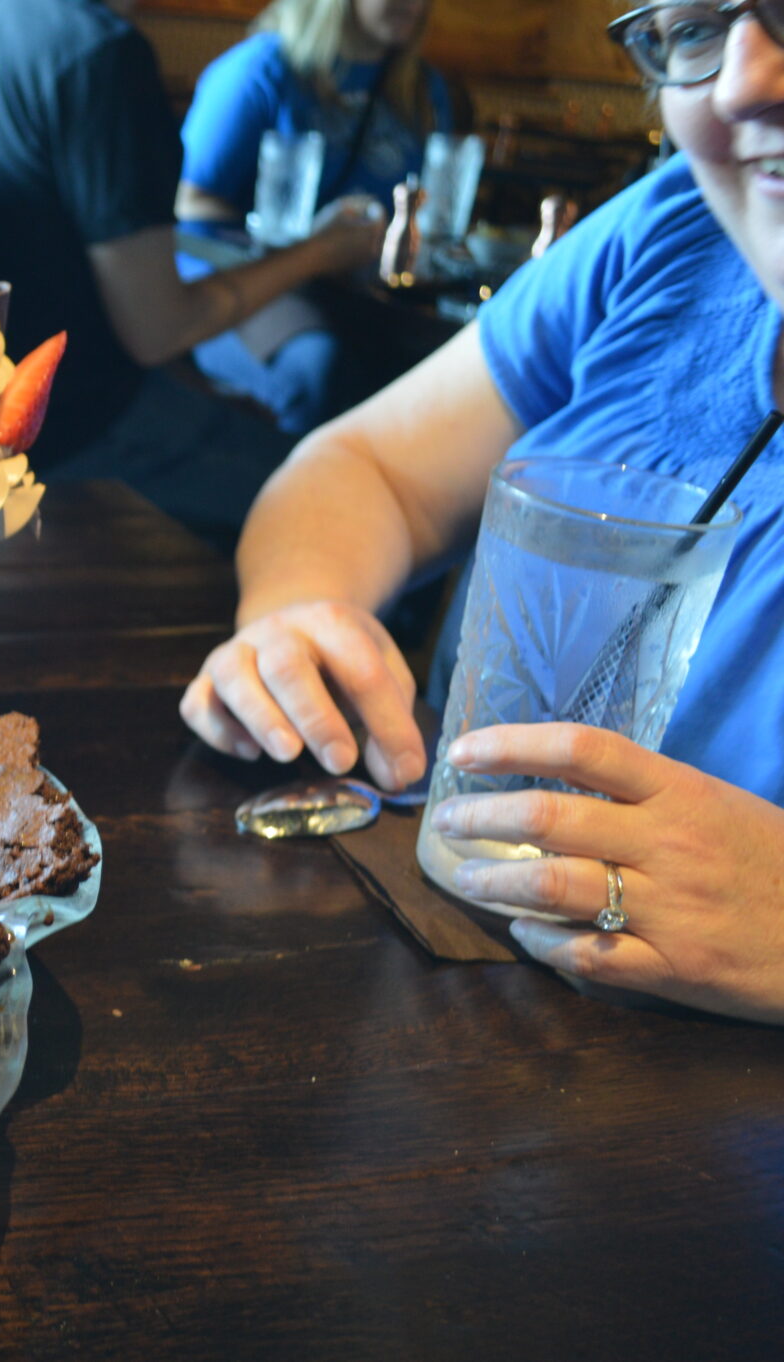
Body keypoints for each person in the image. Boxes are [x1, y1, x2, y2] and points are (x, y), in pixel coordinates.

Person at [179, 3, 784, 1025]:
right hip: (441, 1009)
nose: (737, 82)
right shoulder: (678, 227)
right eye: (693, 25)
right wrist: (296, 614)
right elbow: (368, 468)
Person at [0, 0, 381, 537]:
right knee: (357, 507)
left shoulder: (6, 17)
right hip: (79, 427)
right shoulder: (104, 55)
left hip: (3, 410)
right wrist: (319, 251)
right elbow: (158, 330)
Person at [176, 0, 452, 435]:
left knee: (432, 365)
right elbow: (188, 202)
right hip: (240, 275)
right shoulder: (262, 69)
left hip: (352, 287)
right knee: (314, 366)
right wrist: (310, 246)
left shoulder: (422, 88)